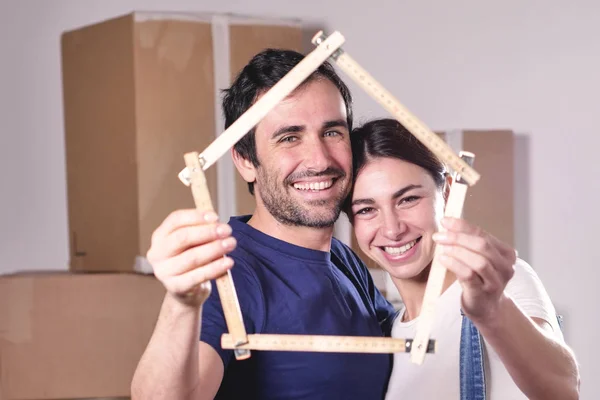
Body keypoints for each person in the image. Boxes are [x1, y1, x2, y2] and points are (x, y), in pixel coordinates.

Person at [131, 50, 397, 400]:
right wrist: (181, 304)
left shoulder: (344, 260)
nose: (319, 159)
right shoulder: (227, 274)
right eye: (289, 137)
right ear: (244, 161)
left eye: (332, 132)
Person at [346, 118, 580, 399]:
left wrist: (493, 310)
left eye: (407, 199)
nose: (392, 229)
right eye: (366, 210)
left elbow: (563, 389)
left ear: (446, 191)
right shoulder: (385, 339)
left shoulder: (496, 287)